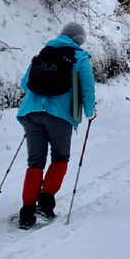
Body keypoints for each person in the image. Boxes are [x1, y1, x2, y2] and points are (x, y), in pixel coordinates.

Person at [16, 22, 96, 230]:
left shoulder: (44, 52)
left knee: (35, 162)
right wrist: (90, 112)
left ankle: (26, 212)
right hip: (59, 115)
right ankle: (45, 205)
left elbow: (25, 83)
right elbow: (87, 88)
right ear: (79, 40)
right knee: (60, 158)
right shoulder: (79, 57)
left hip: (31, 112)